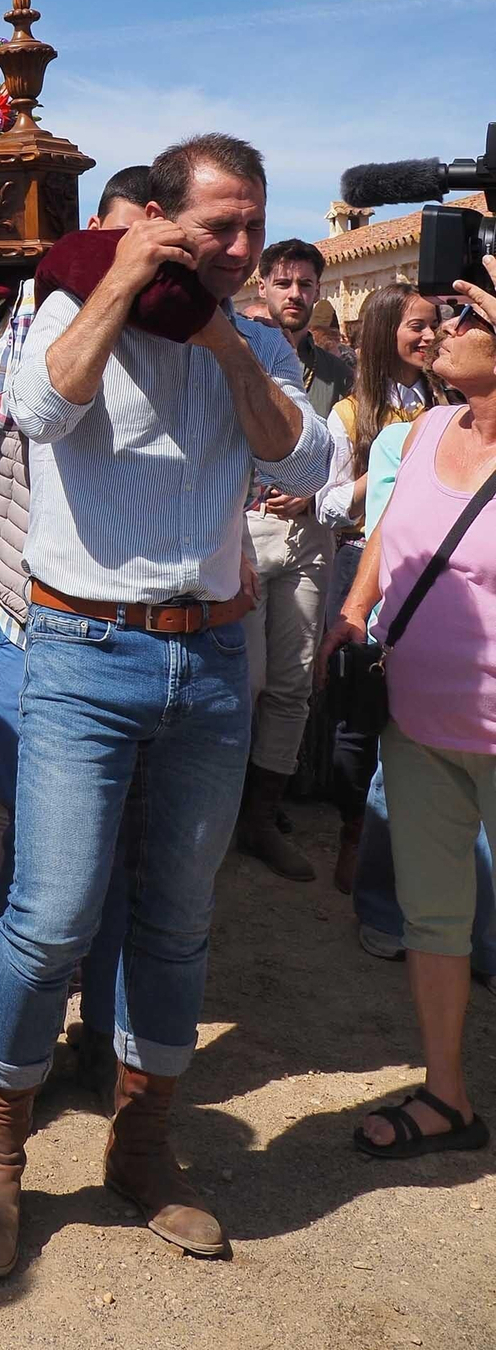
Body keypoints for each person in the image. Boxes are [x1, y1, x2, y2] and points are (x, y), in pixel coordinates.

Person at [0, 134, 327, 1279]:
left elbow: (300, 463)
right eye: (219, 226)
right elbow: (32, 411)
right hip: (79, 648)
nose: (243, 248)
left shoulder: (253, 338)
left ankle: (143, 1145)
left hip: (210, 659)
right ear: (158, 220)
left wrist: (222, 343)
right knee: (52, 916)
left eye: (254, 225)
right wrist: (117, 278)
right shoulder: (66, 305)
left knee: (174, 918)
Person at [0, 166, 152, 1085]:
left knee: (112, 819)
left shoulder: (182, 331)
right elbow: (9, 405)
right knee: (13, 792)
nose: (113, 264)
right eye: (102, 243)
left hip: (118, 616)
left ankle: (97, 1016)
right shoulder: (42, 306)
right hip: (22, 595)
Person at [316, 257, 496, 1160]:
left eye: (470, 313)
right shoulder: (427, 430)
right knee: (434, 918)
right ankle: (446, 1097)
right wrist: (353, 611)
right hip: (419, 730)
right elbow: (391, 531)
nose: (445, 326)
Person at [318, 282, 443, 892]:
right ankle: (353, 830)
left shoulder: (451, 401)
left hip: (435, 575)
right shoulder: (353, 412)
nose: (428, 335)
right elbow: (328, 502)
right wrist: (394, 468)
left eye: (434, 324)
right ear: (383, 330)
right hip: (364, 566)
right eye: (415, 324)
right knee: (362, 712)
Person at [238, 239, 353, 881]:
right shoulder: (237, 341)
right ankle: (222, 809)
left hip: (310, 532)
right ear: (263, 282)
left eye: (306, 285)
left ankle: (260, 818)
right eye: (283, 283)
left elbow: (346, 448)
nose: (295, 295)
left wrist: (319, 492)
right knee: (244, 679)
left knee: (292, 682)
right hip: (246, 527)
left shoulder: (336, 371)